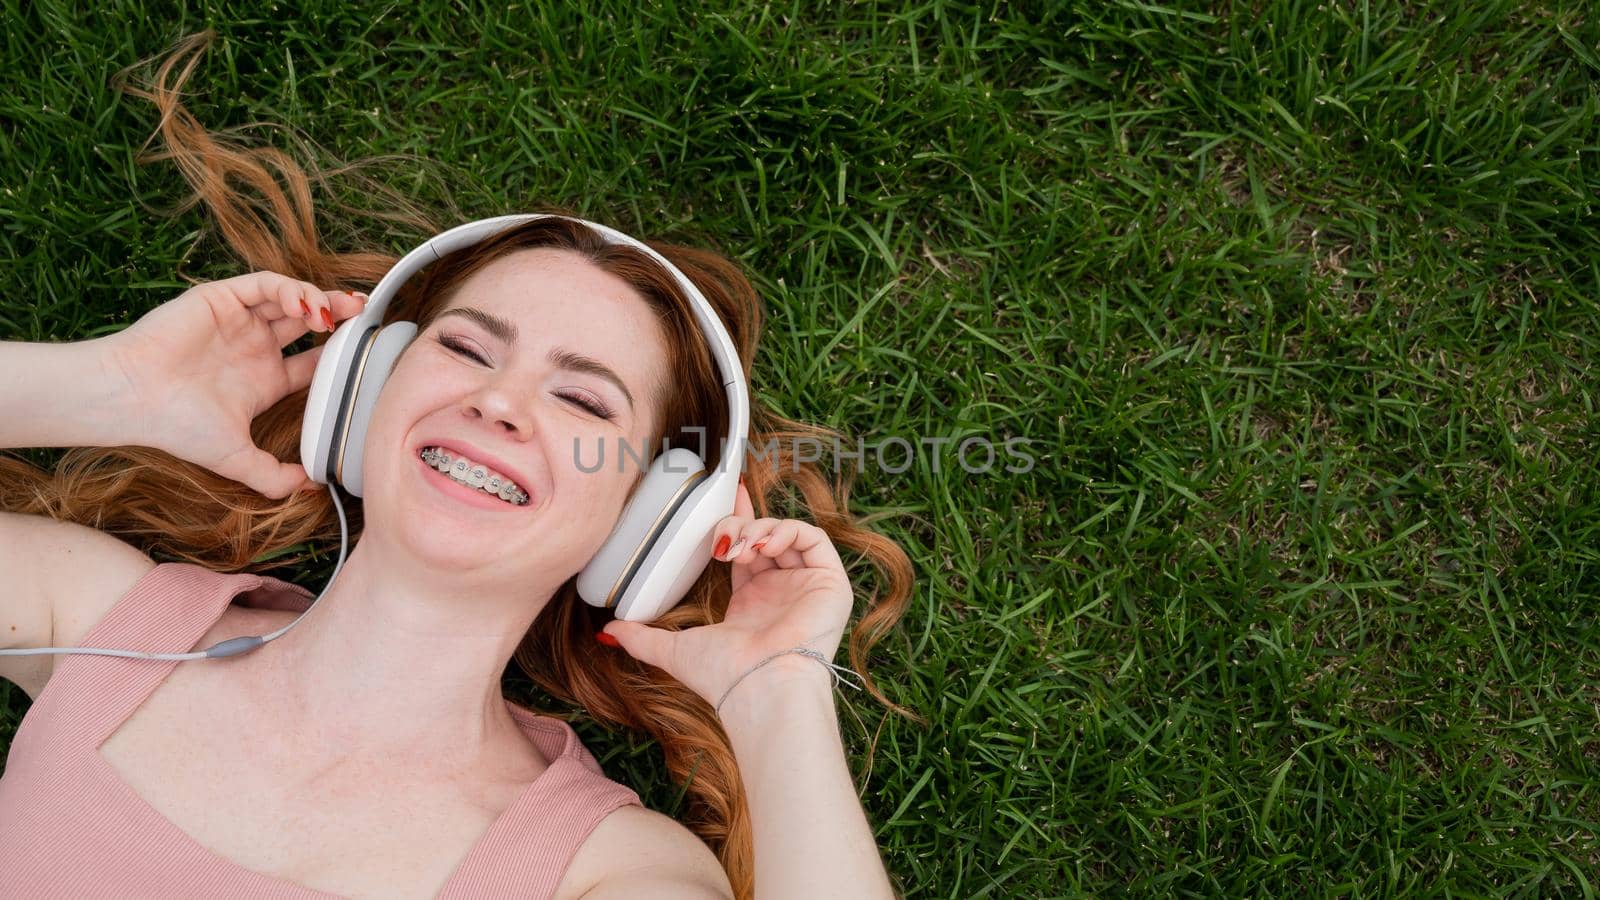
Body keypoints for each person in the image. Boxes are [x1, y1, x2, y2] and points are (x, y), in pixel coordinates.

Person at [0, 31, 918, 900]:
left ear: (652, 524)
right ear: (361, 394)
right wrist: (110, 386)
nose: (500, 402)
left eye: (584, 401)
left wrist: (779, 696)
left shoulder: (599, 868)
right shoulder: (99, 621)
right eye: (470, 349)